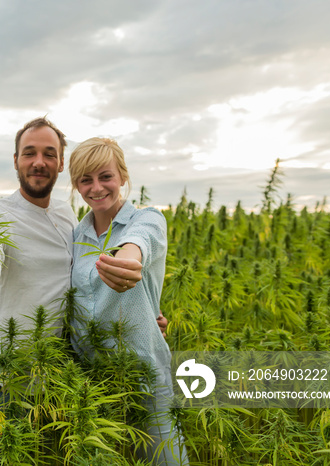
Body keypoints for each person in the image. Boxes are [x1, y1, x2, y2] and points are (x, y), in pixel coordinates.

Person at [0, 117, 168, 465]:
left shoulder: (69, 216)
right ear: (16, 160)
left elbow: (82, 285)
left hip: (48, 374)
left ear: (59, 164)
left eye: (49, 154)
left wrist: (142, 314)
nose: (39, 161)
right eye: (29, 153)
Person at [69, 137, 188, 465]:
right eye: (85, 179)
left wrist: (128, 257)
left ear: (122, 176)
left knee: (166, 460)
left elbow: (140, 241)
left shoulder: (147, 219)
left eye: (105, 176)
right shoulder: (76, 236)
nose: (96, 187)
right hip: (89, 377)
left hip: (143, 374)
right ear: (76, 185)